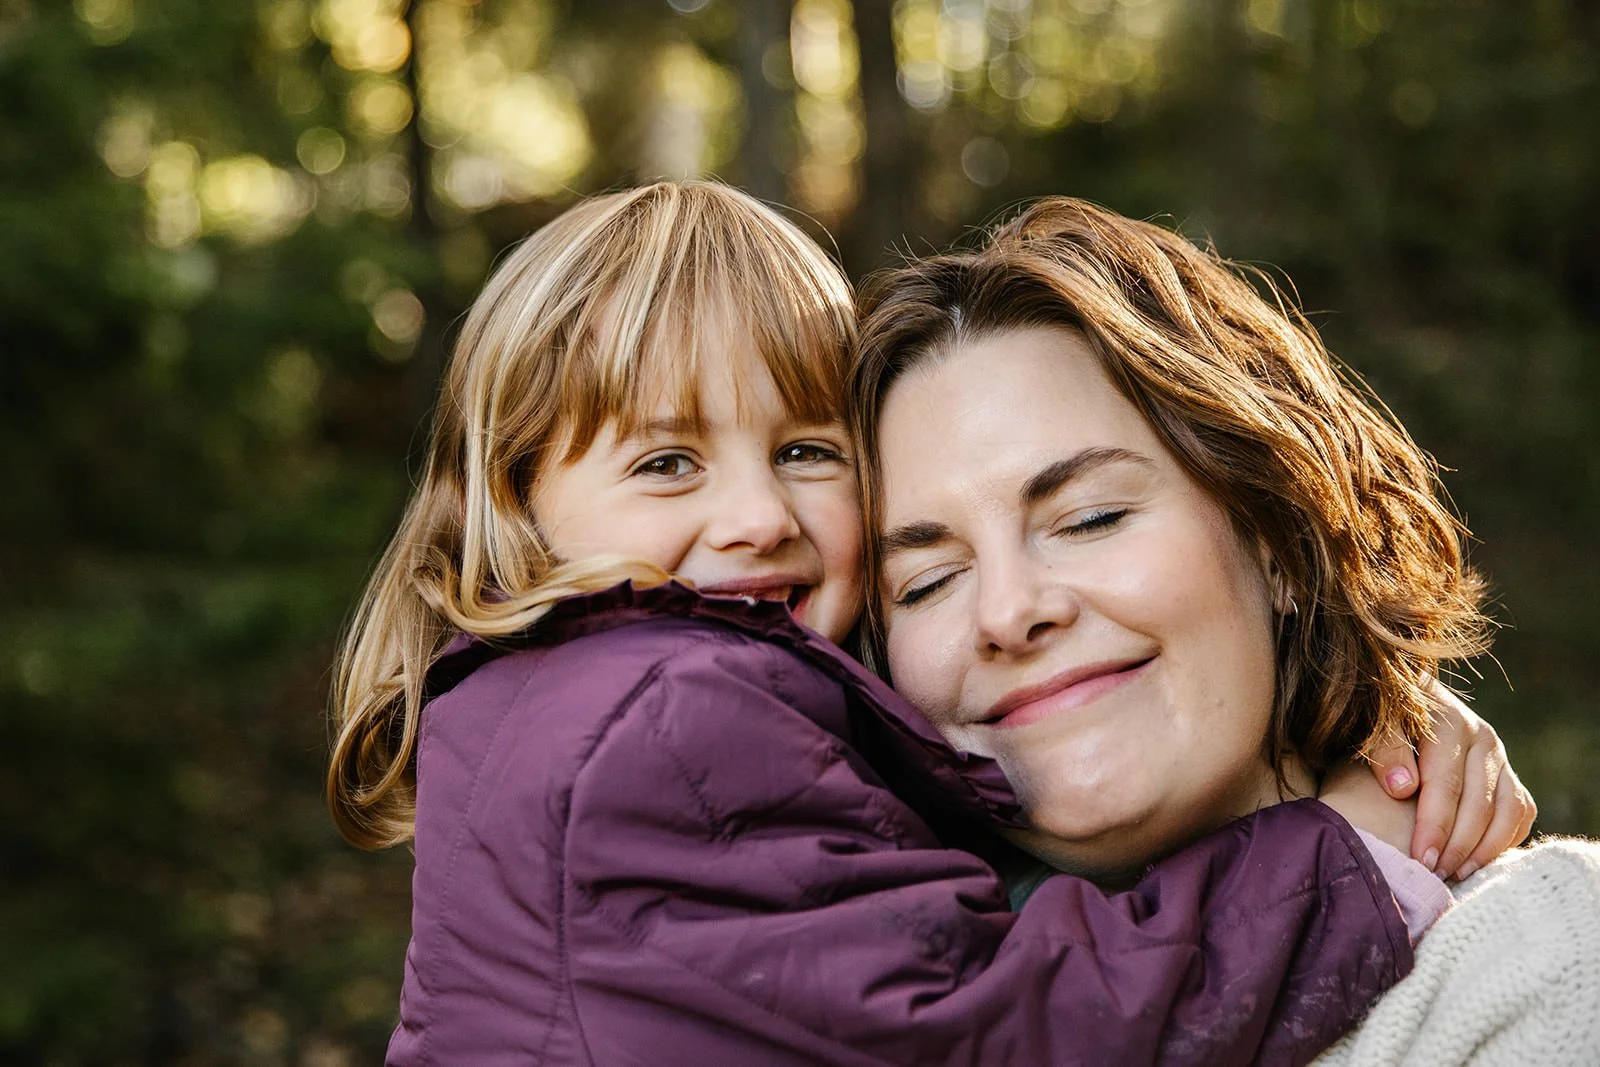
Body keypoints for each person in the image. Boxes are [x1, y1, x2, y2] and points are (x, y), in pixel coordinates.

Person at [328, 181, 1515, 1066]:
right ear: (512, 506)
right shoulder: (666, 714)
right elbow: (1001, 1025)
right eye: (667, 460)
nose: (753, 516)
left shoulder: (1544, 974)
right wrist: (1345, 848)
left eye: (803, 452)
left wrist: (1375, 714)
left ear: (1276, 534)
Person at [849, 196, 1595, 1063]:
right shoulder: (859, 998)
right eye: (929, 580)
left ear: (1276, 537)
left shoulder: (1544, 963)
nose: (1009, 612)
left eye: (1090, 518)